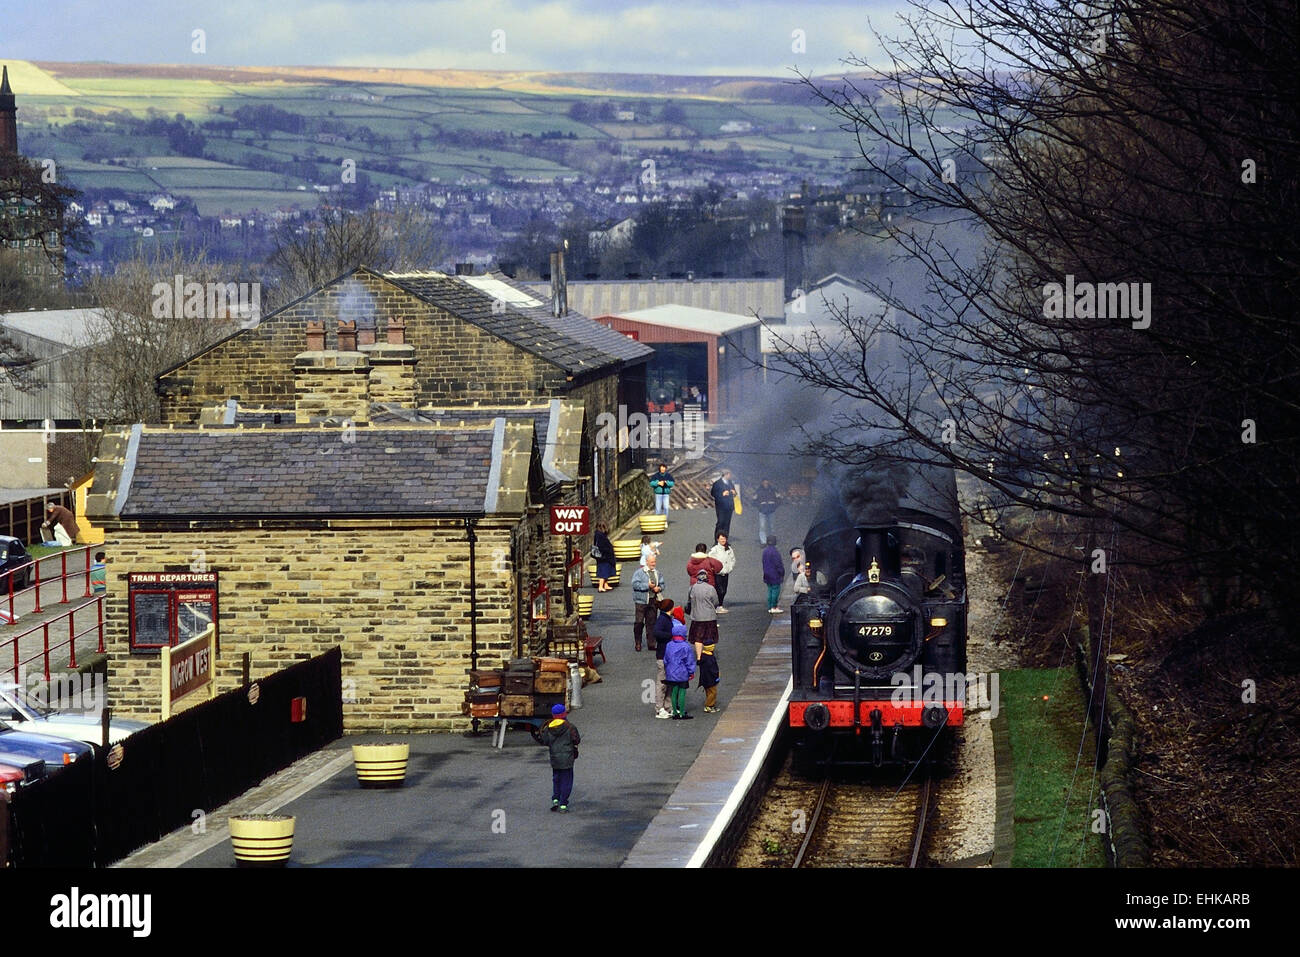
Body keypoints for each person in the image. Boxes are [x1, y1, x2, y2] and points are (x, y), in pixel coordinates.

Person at [687, 569, 722, 713]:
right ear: (706, 578)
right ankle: (707, 652)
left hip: (696, 617)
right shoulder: (711, 588)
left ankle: (699, 655)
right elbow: (716, 601)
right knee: (708, 637)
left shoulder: (693, 588)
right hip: (709, 617)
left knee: (698, 638)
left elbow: (689, 600)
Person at [538, 703, 581, 812]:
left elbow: (545, 741)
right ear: (564, 714)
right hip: (567, 758)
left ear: (553, 715)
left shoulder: (548, 727)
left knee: (556, 779)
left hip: (555, 758)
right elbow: (576, 740)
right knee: (566, 780)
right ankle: (563, 804)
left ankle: (555, 799)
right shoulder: (570, 727)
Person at [663, 619, 697, 719]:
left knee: (674, 691)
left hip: (671, 673)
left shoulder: (669, 645)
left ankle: (675, 713)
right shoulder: (685, 646)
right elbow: (689, 661)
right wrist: (691, 672)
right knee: (682, 691)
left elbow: (665, 659)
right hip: (682, 673)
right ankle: (682, 712)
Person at [630, 553, 664, 652]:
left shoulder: (657, 573)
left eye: (655, 562)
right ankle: (638, 642)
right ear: (647, 562)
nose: (654, 563)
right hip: (641, 601)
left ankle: (651, 643)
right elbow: (635, 585)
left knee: (652, 622)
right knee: (639, 622)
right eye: (652, 562)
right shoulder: (639, 573)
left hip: (653, 600)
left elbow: (662, 584)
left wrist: (659, 588)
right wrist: (647, 586)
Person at [652, 598, 676, 718]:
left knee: (667, 682)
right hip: (663, 655)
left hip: (666, 654)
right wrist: (671, 635)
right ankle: (659, 708)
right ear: (670, 608)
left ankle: (667, 706)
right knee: (662, 683)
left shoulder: (664, 618)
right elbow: (656, 632)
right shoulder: (663, 619)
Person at [707, 531, 736, 614]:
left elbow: (733, 559)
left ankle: (720, 605)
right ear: (717, 539)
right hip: (717, 574)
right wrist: (715, 569)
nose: (723, 540)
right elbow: (710, 560)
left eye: (724, 538)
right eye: (721, 538)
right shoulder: (714, 550)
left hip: (726, 573)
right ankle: (717, 606)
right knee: (719, 590)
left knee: (724, 590)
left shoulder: (729, 549)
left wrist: (729, 568)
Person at [710, 469, 737, 537]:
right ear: (726, 474)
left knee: (727, 523)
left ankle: (725, 539)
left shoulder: (730, 482)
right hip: (720, 506)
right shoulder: (717, 483)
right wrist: (722, 494)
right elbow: (713, 493)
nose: (730, 476)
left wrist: (734, 493)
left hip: (729, 506)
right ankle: (717, 539)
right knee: (721, 522)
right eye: (730, 474)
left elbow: (734, 492)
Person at [755, 479, 782, 546]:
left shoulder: (773, 490)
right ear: (762, 483)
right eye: (764, 483)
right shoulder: (758, 491)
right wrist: (760, 507)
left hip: (771, 511)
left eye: (766, 483)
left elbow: (779, 499)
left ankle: (771, 540)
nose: (765, 484)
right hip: (762, 511)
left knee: (771, 527)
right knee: (762, 526)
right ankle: (763, 542)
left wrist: (774, 506)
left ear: (769, 483)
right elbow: (754, 500)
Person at [762, 537, 784, 613]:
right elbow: (778, 564)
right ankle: (774, 607)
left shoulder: (765, 551)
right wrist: (782, 572)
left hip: (767, 574)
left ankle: (769, 606)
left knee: (770, 591)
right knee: (775, 591)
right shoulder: (775, 552)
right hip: (775, 575)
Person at [591, 522, 615, 592]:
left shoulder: (599, 535)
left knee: (607, 570)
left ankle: (605, 584)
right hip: (604, 557)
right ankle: (600, 586)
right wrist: (608, 551)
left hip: (603, 557)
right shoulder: (600, 536)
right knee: (604, 572)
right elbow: (602, 547)